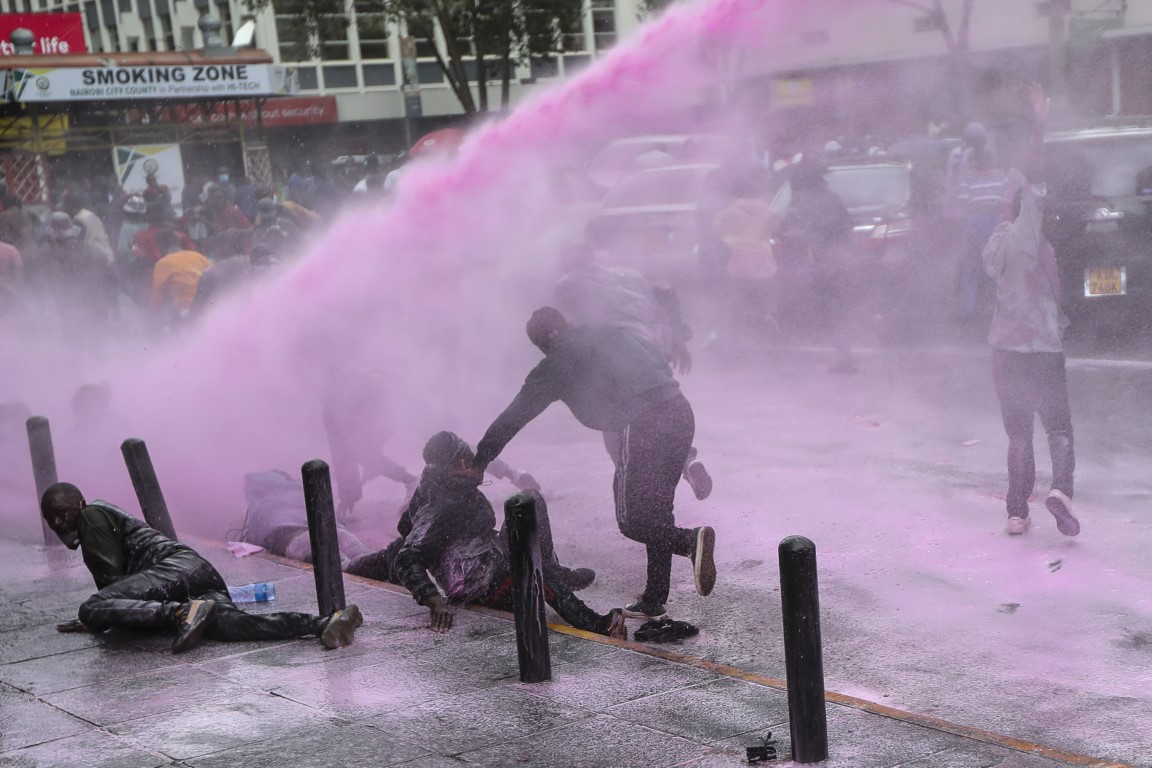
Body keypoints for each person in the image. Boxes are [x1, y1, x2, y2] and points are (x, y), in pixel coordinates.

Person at [474, 307, 717, 620]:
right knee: (657, 512)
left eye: (542, 347)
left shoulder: (558, 358)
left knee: (632, 520)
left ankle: (689, 541)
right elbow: (658, 362)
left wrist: (482, 456)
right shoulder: (612, 331)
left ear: (548, 338)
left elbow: (517, 413)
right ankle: (654, 598)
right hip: (679, 411)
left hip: (643, 421)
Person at [346, 432, 622, 636]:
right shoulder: (443, 502)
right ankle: (598, 623)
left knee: (531, 502)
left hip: (488, 558)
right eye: (470, 460)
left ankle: (551, 568)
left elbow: (405, 529)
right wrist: (434, 601)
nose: (478, 464)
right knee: (534, 573)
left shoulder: (439, 482)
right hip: (479, 582)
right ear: (457, 466)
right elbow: (408, 556)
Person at [40, 481, 363, 654]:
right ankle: (324, 623)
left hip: (173, 571)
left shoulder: (91, 515)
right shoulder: (95, 515)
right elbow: (121, 590)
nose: (59, 522)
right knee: (234, 626)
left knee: (92, 607)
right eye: (51, 518)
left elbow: (111, 582)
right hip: (196, 573)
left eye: (62, 512)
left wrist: (99, 616)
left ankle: (182, 613)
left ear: (78, 504)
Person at [981, 83, 1078, 538]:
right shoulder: (1028, 240)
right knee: (1057, 426)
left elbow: (1011, 203)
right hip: (1041, 348)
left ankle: (1017, 512)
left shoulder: (996, 244)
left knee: (1017, 433)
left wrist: (1012, 185)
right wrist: (1039, 126)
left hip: (1004, 349)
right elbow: (1033, 191)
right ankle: (1060, 490)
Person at [553, 243, 712, 500]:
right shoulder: (629, 275)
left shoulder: (567, 284)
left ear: (566, 262)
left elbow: (564, 330)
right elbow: (663, 291)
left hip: (613, 355)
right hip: (651, 348)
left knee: (615, 427)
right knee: (661, 412)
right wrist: (678, 341)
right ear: (592, 256)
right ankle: (687, 462)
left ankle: (635, 490)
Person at [776, 158, 856, 372]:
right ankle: (844, 353)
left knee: (828, 309)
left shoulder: (801, 200)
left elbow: (787, 229)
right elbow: (848, 224)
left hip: (818, 261)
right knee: (838, 307)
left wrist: (805, 238)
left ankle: (842, 355)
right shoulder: (831, 196)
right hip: (839, 260)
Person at [151, 229, 211, 325]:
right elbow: (214, 275)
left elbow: (158, 294)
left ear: (160, 247)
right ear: (177, 242)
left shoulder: (163, 263)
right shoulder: (198, 256)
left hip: (186, 310)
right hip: (208, 306)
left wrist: (155, 316)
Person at [60, 191, 114, 265]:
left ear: (72, 207)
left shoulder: (78, 219)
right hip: (108, 255)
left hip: (95, 259)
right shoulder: (89, 214)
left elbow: (78, 244)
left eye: (66, 207)